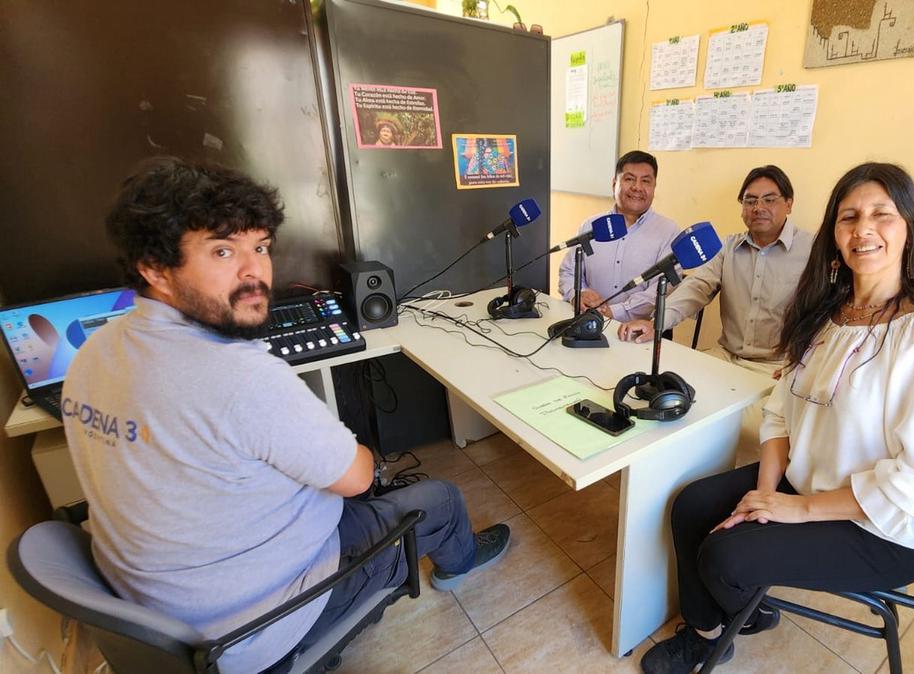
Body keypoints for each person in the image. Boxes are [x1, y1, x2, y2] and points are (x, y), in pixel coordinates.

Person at [62, 157, 510, 674]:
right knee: (441, 498)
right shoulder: (241, 376)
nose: (255, 272)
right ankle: (460, 563)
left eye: (260, 247)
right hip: (259, 626)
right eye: (223, 250)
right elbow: (359, 478)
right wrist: (354, 453)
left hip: (166, 614)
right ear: (154, 267)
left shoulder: (95, 352)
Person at [640, 162, 914, 673]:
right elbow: (781, 411)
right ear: (835, 234)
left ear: (909, 227)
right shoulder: (831, 314)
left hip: (888, 525)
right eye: (849, 217)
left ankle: (723, 618)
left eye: (881, 215)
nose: (863, 229)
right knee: (691, 505)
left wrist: (794, 509)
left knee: (723, 557)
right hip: (811, 481)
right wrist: (765, 494)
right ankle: (721, 625)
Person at [617, 165, 812, 377]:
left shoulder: (813, 251)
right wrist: (655, 324)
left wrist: (803, 363)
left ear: (789, 204)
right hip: (726, 356)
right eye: (750, 201)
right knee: (670, 388)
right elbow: (695, 288)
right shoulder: (727, 248)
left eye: (769, 199)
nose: (758, 208)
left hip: (780, 365)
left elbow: (825, 315)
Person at [558, 150, 680, 322]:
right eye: (629, 179)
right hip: (589, 323)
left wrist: (613, 312)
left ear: (653, 187)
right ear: (614, 183)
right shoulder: (591, 226)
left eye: (645, 181)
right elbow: (568, 272)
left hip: (641, 332)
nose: (637, 187)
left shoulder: (669, 232)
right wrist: (579, 294)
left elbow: (664, 289)